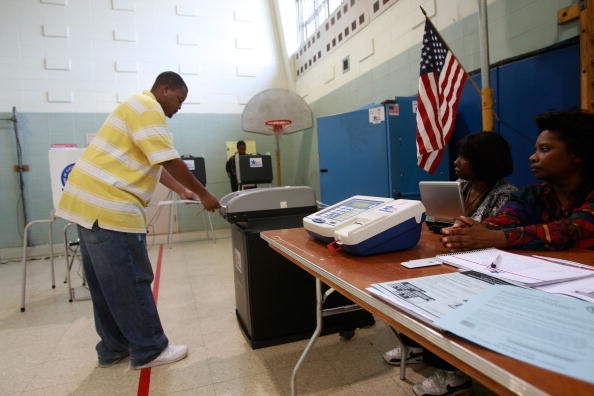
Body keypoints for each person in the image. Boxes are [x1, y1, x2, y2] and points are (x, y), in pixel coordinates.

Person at [55, 71, 220, 370]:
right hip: (110, 207)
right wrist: (206, 194)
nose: (179, 107)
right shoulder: (148, 107)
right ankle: (150, 350)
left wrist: (183, 189)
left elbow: (156, 164)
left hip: (87, 206)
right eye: (179, 99)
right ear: (165, 88)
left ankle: (113, 347)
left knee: (107, 285)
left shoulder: (135, 106)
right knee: (132, 280)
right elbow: (169, 159)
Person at [384, 132, 517, 396]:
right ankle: (416, 343)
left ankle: (452, 373)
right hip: (451, 252)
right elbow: (444, 222)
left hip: (482, 264)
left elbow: (489, 235)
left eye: (463, 157)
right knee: (399, 282)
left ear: (483, 161)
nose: (456, 162)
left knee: (439, 298)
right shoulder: (460, 186)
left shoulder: (507, 194)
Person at [441, 108, 594, 252]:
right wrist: (472, 229)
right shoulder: (533, 194)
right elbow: (508, 218)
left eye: (545, 149)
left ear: (577, 155)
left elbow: (571, 230)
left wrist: (495, 237)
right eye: (536, 150)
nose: (533, 157)